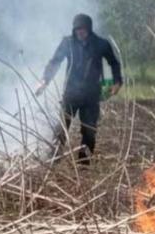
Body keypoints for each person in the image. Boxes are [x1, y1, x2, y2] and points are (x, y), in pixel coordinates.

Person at [35, 13, 122, 165]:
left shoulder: (100, 44)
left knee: (89, 130)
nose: (80, 34)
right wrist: (44, 80)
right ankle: (53, 161)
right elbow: (55, 62)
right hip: (71, 94)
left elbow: (114, 63)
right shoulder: (68, 43)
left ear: (89, 29)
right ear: (74, 31)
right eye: (77, 31)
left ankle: (84, 165)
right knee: (61, 128)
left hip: (91, 95)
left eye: (83, 31)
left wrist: (117, 82)